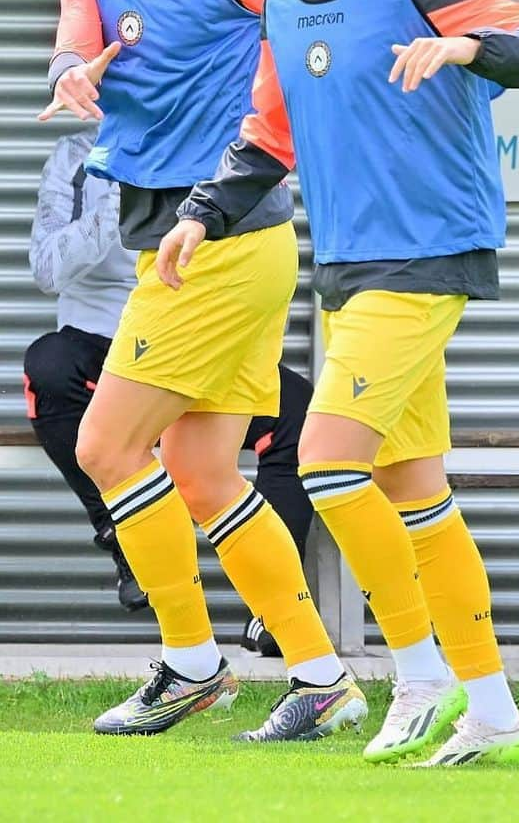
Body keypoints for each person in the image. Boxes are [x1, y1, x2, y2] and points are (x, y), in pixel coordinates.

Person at [157, 0, 519, 766]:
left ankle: (419, 673)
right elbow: (268, 134)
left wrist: (469, 50)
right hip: (348, 269)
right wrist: (197, 214)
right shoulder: (286, 3)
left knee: (327, 465)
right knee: (415, 490)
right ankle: (498, 714)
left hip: (428, 258)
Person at [40, 0, 366, 739]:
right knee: (205, 476)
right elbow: (74, 22)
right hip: (187, 243)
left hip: (220, 239)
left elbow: (320, 29)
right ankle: (320, 678)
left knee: (107, 448)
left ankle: (190, 664)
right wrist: (70, 67)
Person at [23, 124, 315, 658]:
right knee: (49, 371)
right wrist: (118, 198)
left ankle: (275, 610)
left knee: (301, 418)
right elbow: (46, 268)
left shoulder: (210, 143)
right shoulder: (75, 157)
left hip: (193, 332)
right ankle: (126, 543)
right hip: (102, 337)